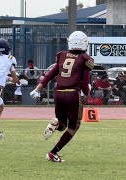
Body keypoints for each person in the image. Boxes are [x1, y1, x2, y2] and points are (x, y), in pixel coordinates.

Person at [30, 31, 94, 162]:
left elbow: (51, 74)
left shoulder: (62, 55)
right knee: (73, 127)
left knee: (62, 124)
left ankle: (54, 124)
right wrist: (87, 93)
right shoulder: (86, 58)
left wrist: (39, 87)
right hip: (72, 94)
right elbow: (85, 82)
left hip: (58, 93)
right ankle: (53, 152)